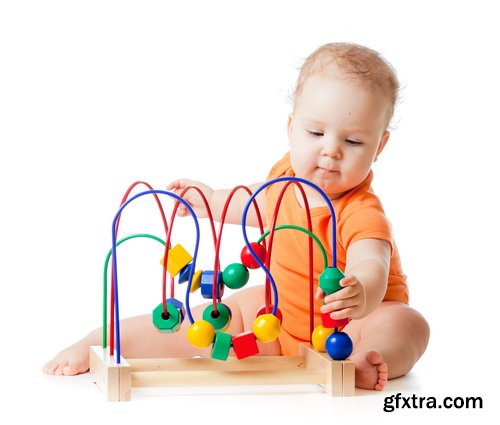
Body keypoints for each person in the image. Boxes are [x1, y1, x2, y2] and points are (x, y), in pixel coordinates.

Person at [43, 42, 429, 391]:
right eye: (316, 133)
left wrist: (360, 290)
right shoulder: (284, 177)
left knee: (405, 323)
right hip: (279, 320)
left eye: (353, 141)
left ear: (379, 146)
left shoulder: (361, 210)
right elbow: (260, 208)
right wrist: (210, 201)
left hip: (348, 326)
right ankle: (105, 341)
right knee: (203, 319)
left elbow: (371, 259)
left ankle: (367, 360)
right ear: (291, 128)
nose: (331, 151)